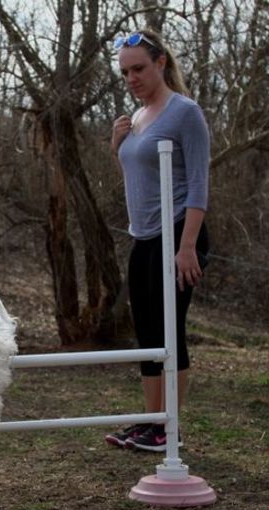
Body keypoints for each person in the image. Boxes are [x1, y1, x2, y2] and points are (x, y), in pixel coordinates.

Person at [105, 28, 211, 454]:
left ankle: (170, 426)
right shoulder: (137, 117)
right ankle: (152, 422)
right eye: (125, 72)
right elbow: (140, 181)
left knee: (169, 330)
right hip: (144, 237)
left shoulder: (184, 112)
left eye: (139, 69)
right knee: (148, 334)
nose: (132, 78)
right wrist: (117, 147)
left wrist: (186, 247)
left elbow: (200, 186)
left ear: (161, 63)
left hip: (180, 233)